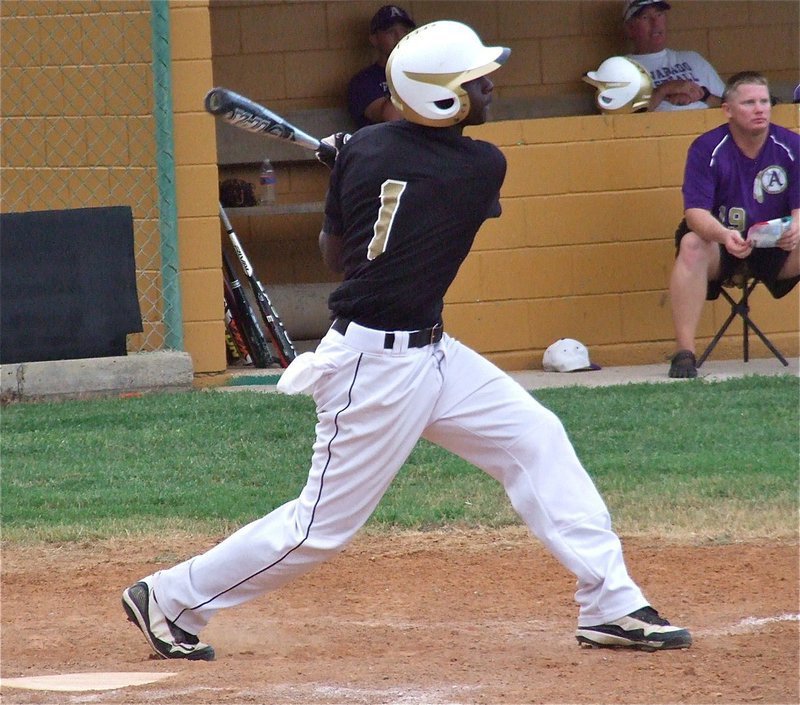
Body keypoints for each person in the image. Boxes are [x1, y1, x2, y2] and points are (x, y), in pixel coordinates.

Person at [122, 20, 692, 662]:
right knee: (320, 528)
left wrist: (350, 166)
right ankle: (169, 598)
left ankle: (610, 605)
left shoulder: (368, 151)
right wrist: (360, 159)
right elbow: (407, 192)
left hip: (433, 354)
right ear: (442, 97)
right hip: (373, 368)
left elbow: (335, 253)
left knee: (536, 439)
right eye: (478, 81)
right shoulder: (480, 164)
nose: (492, 87)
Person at [667, 71, 800, 378]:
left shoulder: (791, 145)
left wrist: (795, 229)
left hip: (776, 245)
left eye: (765, 102)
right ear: (728, 109)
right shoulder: (706, 148)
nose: (760, 109)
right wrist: (724, 235)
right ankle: (684, 353)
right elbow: (695, 214)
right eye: (750, 102)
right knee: (691, 243)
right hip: (723, 244)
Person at [623, 0, 725, 111]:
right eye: (645, 17)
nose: (655, 23)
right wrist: (664, 90)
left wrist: (702, 96)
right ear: (630, 29)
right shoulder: (621, 68)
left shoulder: (693, 59)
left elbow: (731, 106)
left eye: (659, 15)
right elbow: (621, 119)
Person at [346, 4, 416, 129]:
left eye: (404, 31)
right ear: (374, 39)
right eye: (390, 32)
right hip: (389, 145)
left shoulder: (422, 70)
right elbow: (392, 118)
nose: (400, 37)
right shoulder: (363, 81)